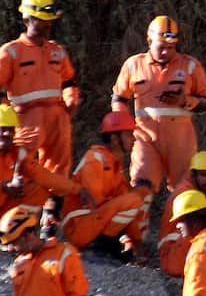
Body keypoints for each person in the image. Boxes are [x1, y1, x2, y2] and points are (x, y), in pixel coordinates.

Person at [111, 16, 206, 226]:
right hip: (145, 139)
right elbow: (118, 98)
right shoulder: (133, 65)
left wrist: (185, 100)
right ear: (149, 41)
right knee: (141, 187)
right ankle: (132, 242)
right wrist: (123, 127)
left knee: (184, 191)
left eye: (171, 46)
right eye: (162, 46)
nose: (166, 51)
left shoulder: (190, 66)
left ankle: (180, 243)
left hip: (181, 142)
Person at [0, 105, 85, 262]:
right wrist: (1, 187)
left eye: (11, 130)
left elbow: (43, 175)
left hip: (0, 211)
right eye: (2, 129)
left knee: (38, 190)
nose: (7, 134)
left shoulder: (16, 153)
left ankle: (11, 235)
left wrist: (77, 189)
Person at [0, 0, 79, 176]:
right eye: (43, 19)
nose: (48, 24)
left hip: (58, 119)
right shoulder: (12, 51)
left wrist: (71, 103)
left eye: (50, 19)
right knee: (18, 168)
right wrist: (7, 119)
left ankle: (53, 204)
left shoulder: (57, 51)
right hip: (25, 119)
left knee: (58, 172)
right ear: (28, 19)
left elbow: (69, 81)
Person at [59, 111, 150, 262]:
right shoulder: (95, 160)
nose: (133, 139)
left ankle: (107, 246)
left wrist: (137, 243)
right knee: (133, 199)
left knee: (137, 197)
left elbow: (124, 208)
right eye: (129, 134)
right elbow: (94, 202)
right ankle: (100, 247)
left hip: (91, 222)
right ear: (115, 138)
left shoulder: (114, 167)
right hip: (79, 226)